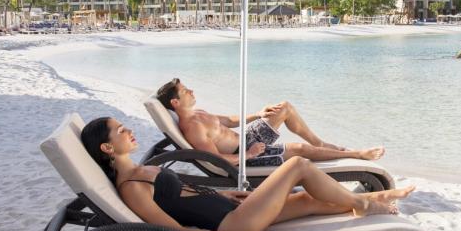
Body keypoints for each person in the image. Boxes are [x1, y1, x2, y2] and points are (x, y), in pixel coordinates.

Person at [81, 117, 414, 231]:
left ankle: (375, 199)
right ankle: (362, 204)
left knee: (307, 200)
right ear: (108, 148)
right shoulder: (133, 188)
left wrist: (227, 195)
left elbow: (185, 195)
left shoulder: (141, 170)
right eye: (120, 130)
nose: (129, 130)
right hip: (234, 223)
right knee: (297, 164)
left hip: (231, 208)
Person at [155, 78, 385, 167]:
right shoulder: (192, 127)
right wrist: (250, 154)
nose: (191, 91)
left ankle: (321, 143)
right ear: (175, 102)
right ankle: (357, 154)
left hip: (246, 139)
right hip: (245, 154)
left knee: (284, 107)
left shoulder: (198, 113)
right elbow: (215, 160)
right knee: (299, 149)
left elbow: (228, 121)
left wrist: (258, 114)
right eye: (185, 91)